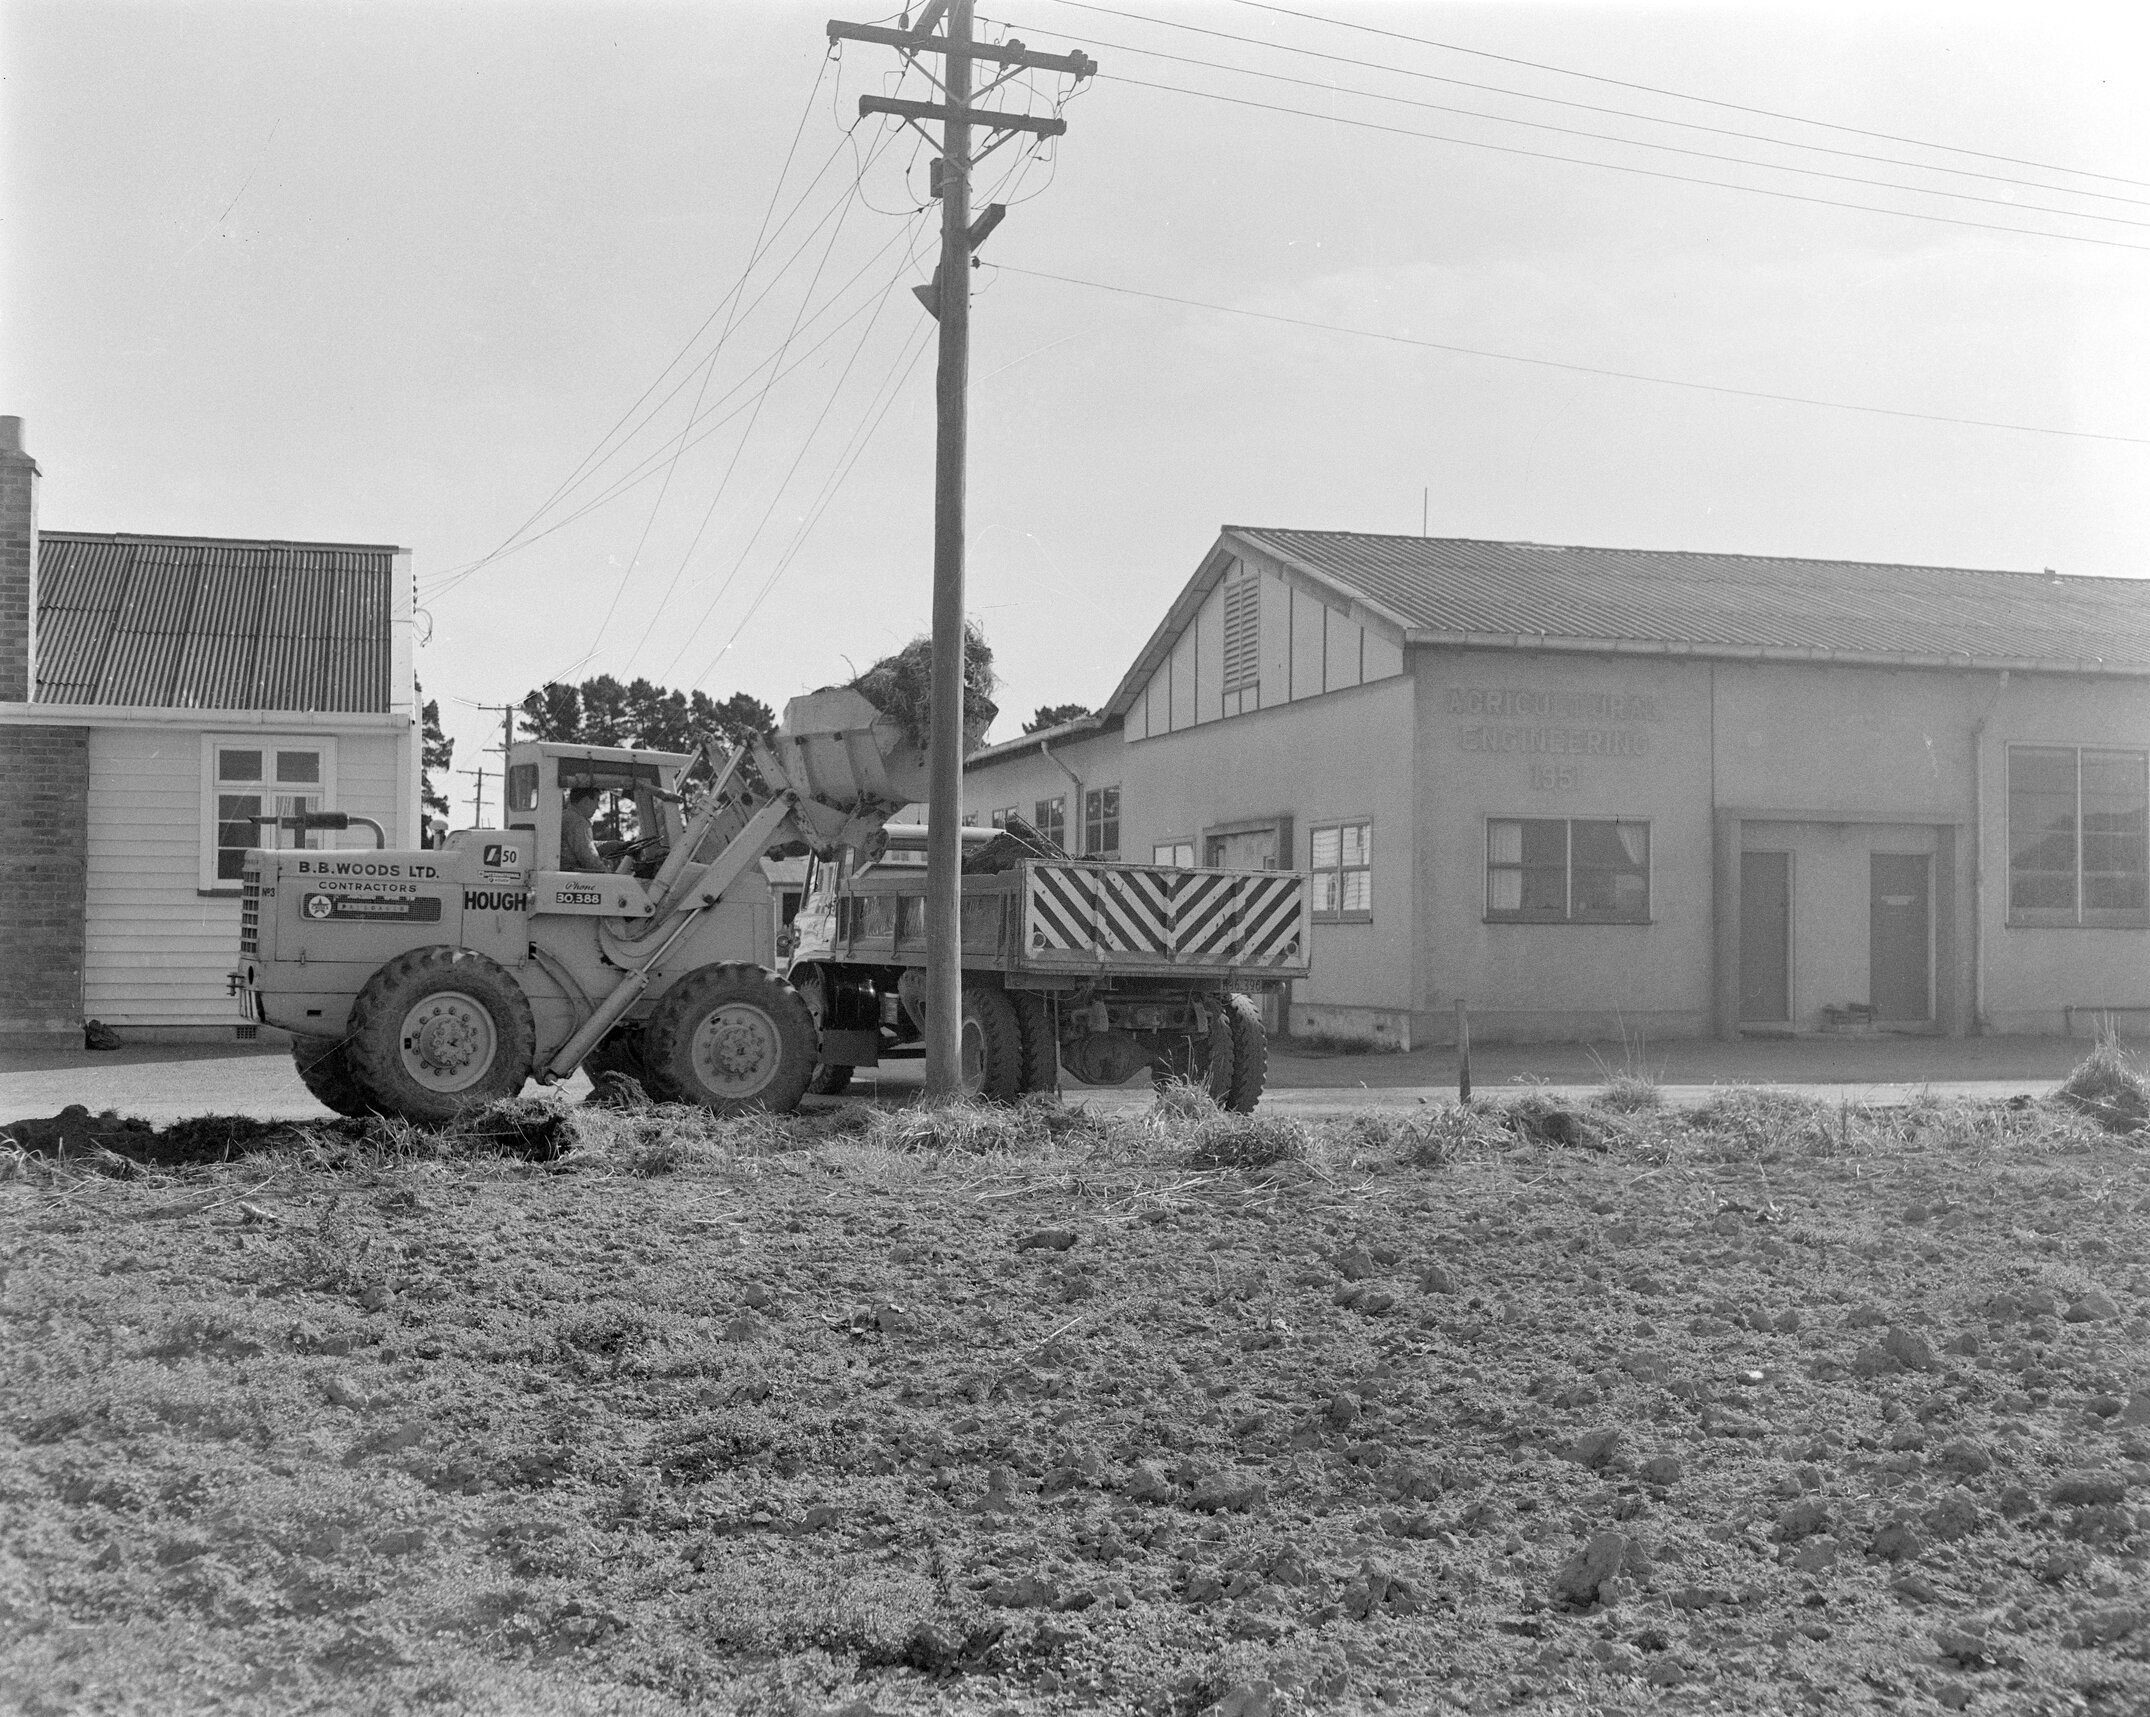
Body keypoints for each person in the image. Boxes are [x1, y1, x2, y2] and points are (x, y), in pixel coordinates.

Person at [561, 786, 605, 872]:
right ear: (586, 801)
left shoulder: (566, 816)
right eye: (596, 801)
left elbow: (584, 844)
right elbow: (589, 858)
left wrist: (613, 846)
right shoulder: (578, 822)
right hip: (572, 875)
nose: (597, 807)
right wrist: (609, 875)